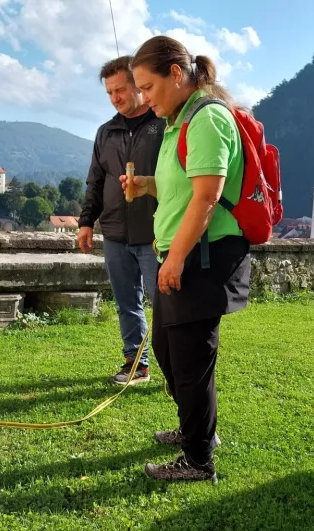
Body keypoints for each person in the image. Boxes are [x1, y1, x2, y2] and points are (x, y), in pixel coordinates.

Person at [122, 36, 252, 482]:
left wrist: (175, 258)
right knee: (168, 351)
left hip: (202, 260)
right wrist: (146, 186)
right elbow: (183, 186)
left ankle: (198, 460)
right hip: (182, 257)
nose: (144, 98)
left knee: (191, 362)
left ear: (176, 74)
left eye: (148, 87)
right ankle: (197, 431)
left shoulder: (207, 118)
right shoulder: (179, 121)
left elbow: (207, 196)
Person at [78, 55, 165, 385]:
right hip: (115, 233)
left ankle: (176, 368)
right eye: (110, 93)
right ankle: (136, 364)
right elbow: (95, 182)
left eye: (121, 90)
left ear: (139, 86)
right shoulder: (106, 132)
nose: (115, 98)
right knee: (127, 305)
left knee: (166, 307)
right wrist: (86, 222)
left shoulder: (163, 125)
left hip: (156, 233)